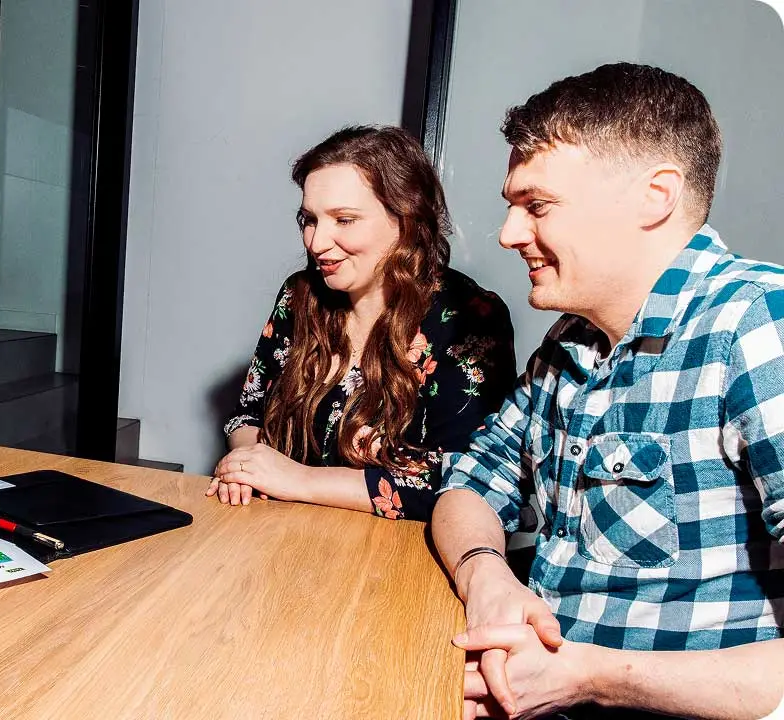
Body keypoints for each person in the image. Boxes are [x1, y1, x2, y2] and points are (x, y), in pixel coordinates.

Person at [434, 62, 784, 720]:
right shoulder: (568, 342)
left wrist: (587, 677)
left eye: (536, 206)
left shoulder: (759, 322)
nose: (509, 233)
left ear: (655, 197)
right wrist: (487, 577)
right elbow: (469, 486)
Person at [211, 126, 516, 521]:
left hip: (392, 560)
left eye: (344, 219)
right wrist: (245, 467)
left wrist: (299, 480)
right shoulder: (299, 295)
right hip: (278, 537)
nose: (317, 242)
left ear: (405, 218)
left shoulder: (469, 315)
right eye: (309, 219)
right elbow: (246, 416)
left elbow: (467, 479)